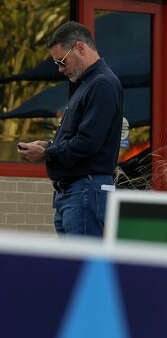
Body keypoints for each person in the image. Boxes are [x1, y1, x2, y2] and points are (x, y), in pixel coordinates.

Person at [17, 21, 123, 236]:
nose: (60, 69)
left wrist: (47, 153)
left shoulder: (101, 84)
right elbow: (82, 137)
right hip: (77, 193)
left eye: (62, 61)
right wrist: (49, 145)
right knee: (73, 268)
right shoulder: (86, 84)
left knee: (83, 266)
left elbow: (88, 143)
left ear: (80, 48)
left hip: (85, 192)